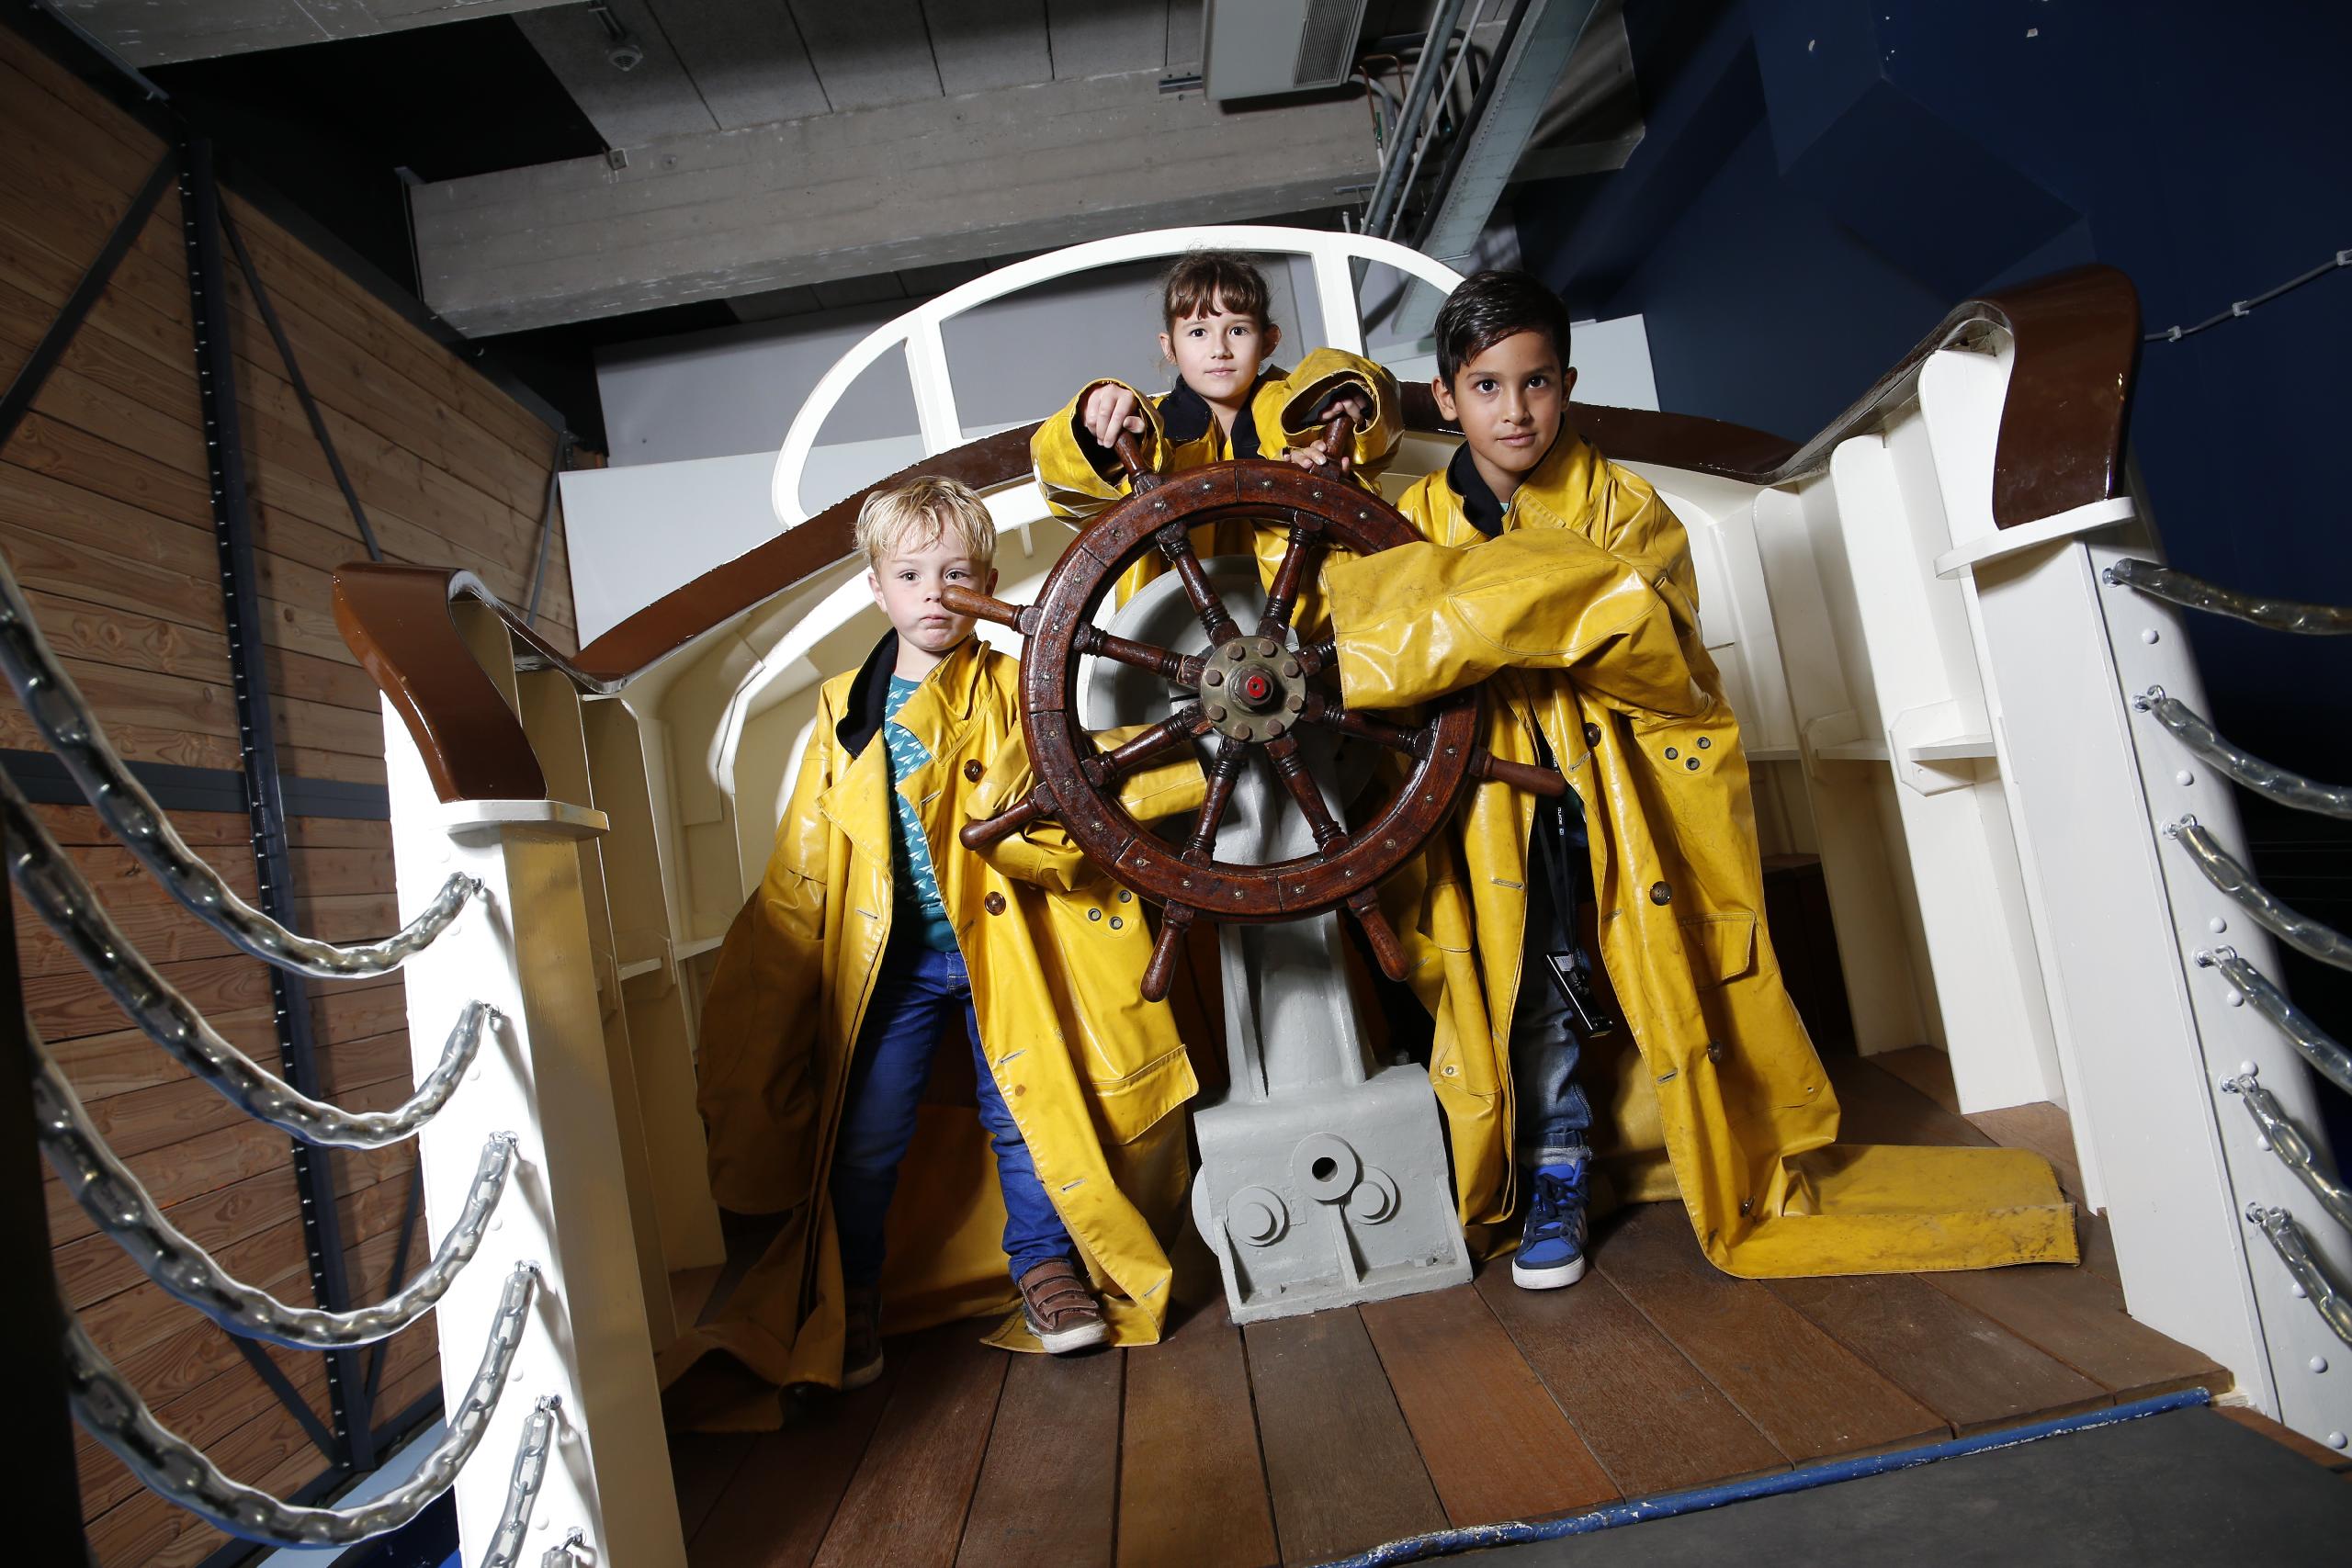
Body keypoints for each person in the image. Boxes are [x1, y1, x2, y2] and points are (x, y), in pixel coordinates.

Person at [1321, 271, 2079, 1285]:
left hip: (1618, 798)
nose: (1515, 411)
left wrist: (1467, 616)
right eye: (1488, 387)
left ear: (1568, 385)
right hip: (1484, 810)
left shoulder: (1627, 507)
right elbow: (1384, 659)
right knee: (1528, 988)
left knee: (1656, 972)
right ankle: (1550, 1169)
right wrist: (1548, 600)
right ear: (1447, 399)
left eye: (1536, 383)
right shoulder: (1408, 518)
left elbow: (1658, 653)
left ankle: (1695, 1140)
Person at [664, 476, 1204, 1427]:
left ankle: (1044, 1268)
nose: (932, 593)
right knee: (866, 1134)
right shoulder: (843, 712)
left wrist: (1187, 769)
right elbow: (808, 859)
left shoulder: (1014, 688)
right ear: (876, 587)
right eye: (910, 574)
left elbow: (1078, 784)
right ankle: (852, 1294)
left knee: (1030, 1116)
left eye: (955, 574)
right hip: (896, 960)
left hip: (1007, 949)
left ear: (987, 583)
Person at [1033, 248, 1404, 608]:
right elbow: (1065, 486)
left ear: (1269, 340)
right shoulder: (1146, 431)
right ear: (1169, 347)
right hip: (1169, 628)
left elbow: (1362, 408)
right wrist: (1091, 417)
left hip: (1299, 622)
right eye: (1198, 332)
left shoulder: (1298, 413)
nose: (1219, 349)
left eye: (1238, 330)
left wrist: (1344, 391)